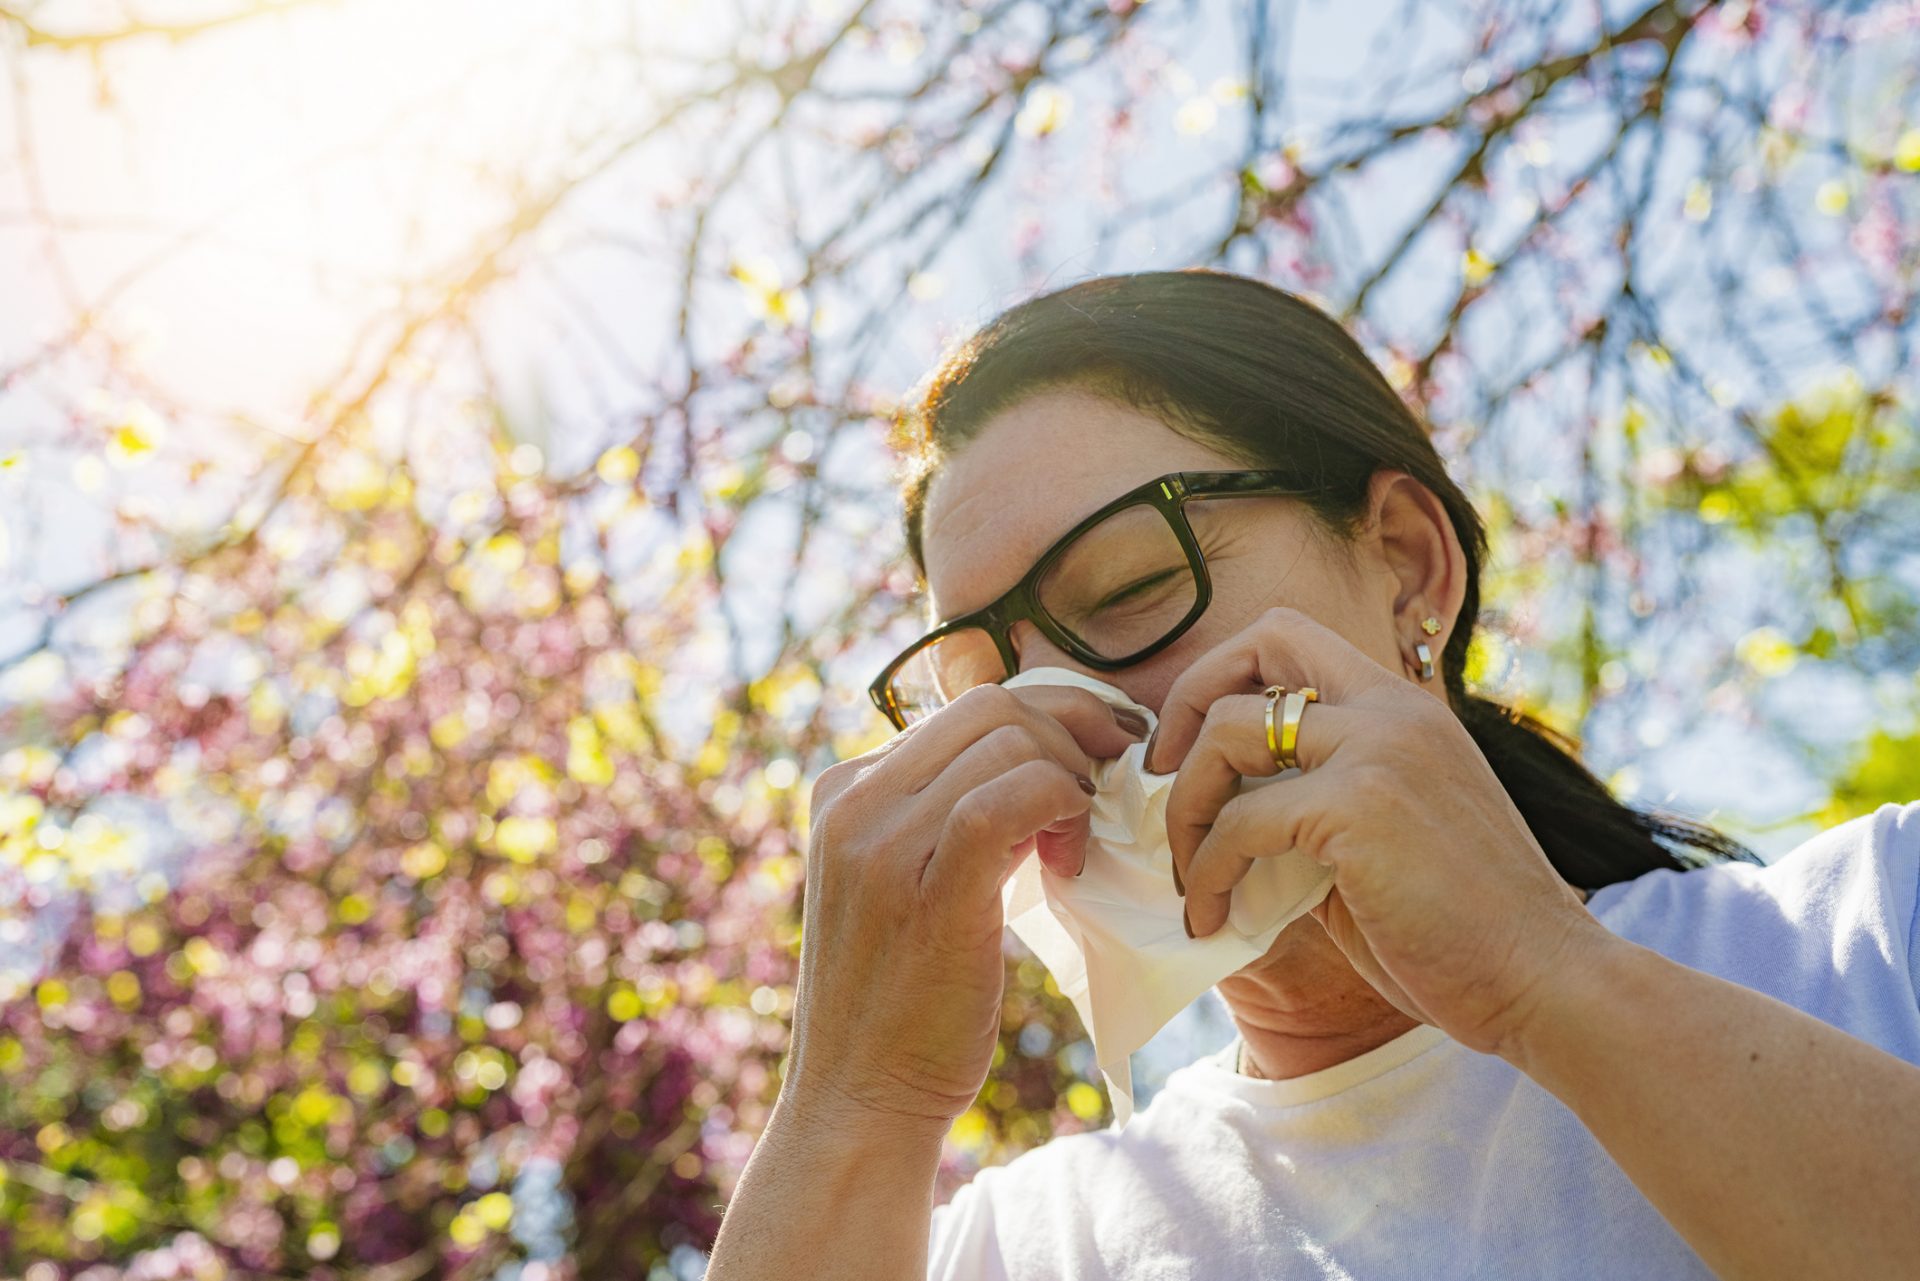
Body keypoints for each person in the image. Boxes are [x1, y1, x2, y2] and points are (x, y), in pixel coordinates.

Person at [707, 270, 1920, 1279]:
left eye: (1132, 588)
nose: (1062, 719)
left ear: (1405, 568)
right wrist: (853, 1103)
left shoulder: (1878, 928)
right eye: (981, 694)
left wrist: (1544, 977)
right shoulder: (1020, 1250)